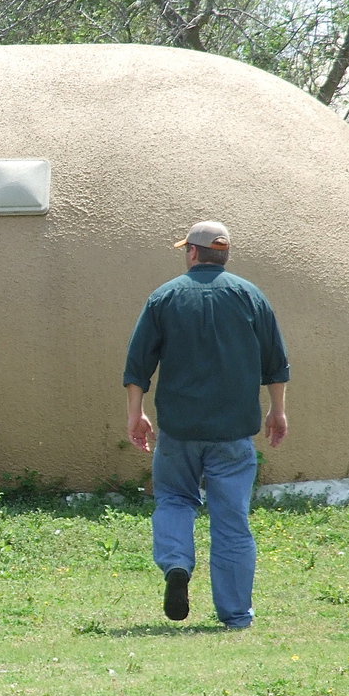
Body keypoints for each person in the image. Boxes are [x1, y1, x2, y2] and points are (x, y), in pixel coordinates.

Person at [123, 221, 289, 630]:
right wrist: (277, 410)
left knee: (175, 501)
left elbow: (138, 364)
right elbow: (276, 364)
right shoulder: (251, 296)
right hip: (233, 433)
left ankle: (177, 563)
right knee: (232, 521)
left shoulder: (165, 297)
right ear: (224, 254)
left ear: (193, 253)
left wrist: (136, 413)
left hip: (179, 430)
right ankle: (235, 615)